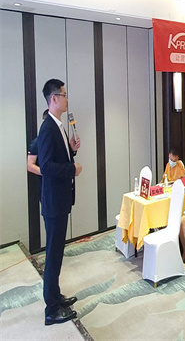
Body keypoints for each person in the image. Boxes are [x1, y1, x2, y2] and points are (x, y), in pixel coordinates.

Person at [38, 79, 82, 325]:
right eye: (63, 95)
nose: (66, 99)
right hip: (54, 202)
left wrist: (71, 151)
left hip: (60, 201)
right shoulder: (47, 128)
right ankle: (51, 310)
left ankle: (56, 296)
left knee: (57, 253)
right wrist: (72, 169)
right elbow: (46, 166)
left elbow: (58, 157)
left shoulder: (59, 126)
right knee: (53, 255)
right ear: (53, 98)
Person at [27, 109, 49, 178]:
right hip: (44, 180)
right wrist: (48, 173)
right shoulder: (36, 143)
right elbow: (30, 165)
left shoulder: (57, 140)